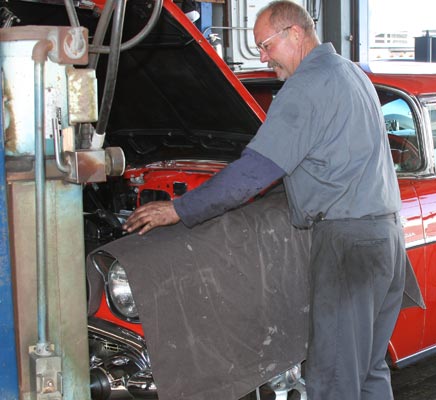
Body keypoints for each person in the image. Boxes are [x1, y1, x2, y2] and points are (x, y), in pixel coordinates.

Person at [123, 1, 406, 399]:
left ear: (295, 33)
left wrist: (179, 209)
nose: (263, 57)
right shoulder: (350, 73)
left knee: (334, 378)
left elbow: (253, 172)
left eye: (266, 46)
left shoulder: (306, 86)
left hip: (347, 246)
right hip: (387, 238)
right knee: (369, 372)